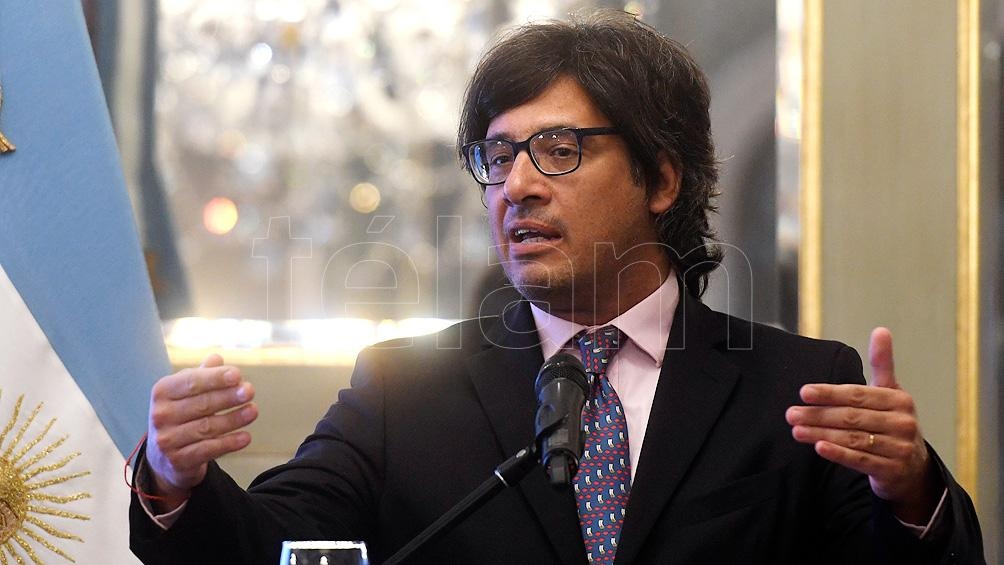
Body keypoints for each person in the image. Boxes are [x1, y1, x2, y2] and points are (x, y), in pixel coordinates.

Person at [129, 10, 984, 564]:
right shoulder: (402, 391)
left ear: (662, 177)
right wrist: (174, 479)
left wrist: (911, 492)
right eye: (498, 156)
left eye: (560, 150)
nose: (518, 186)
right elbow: (273, 549)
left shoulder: (796, 389)